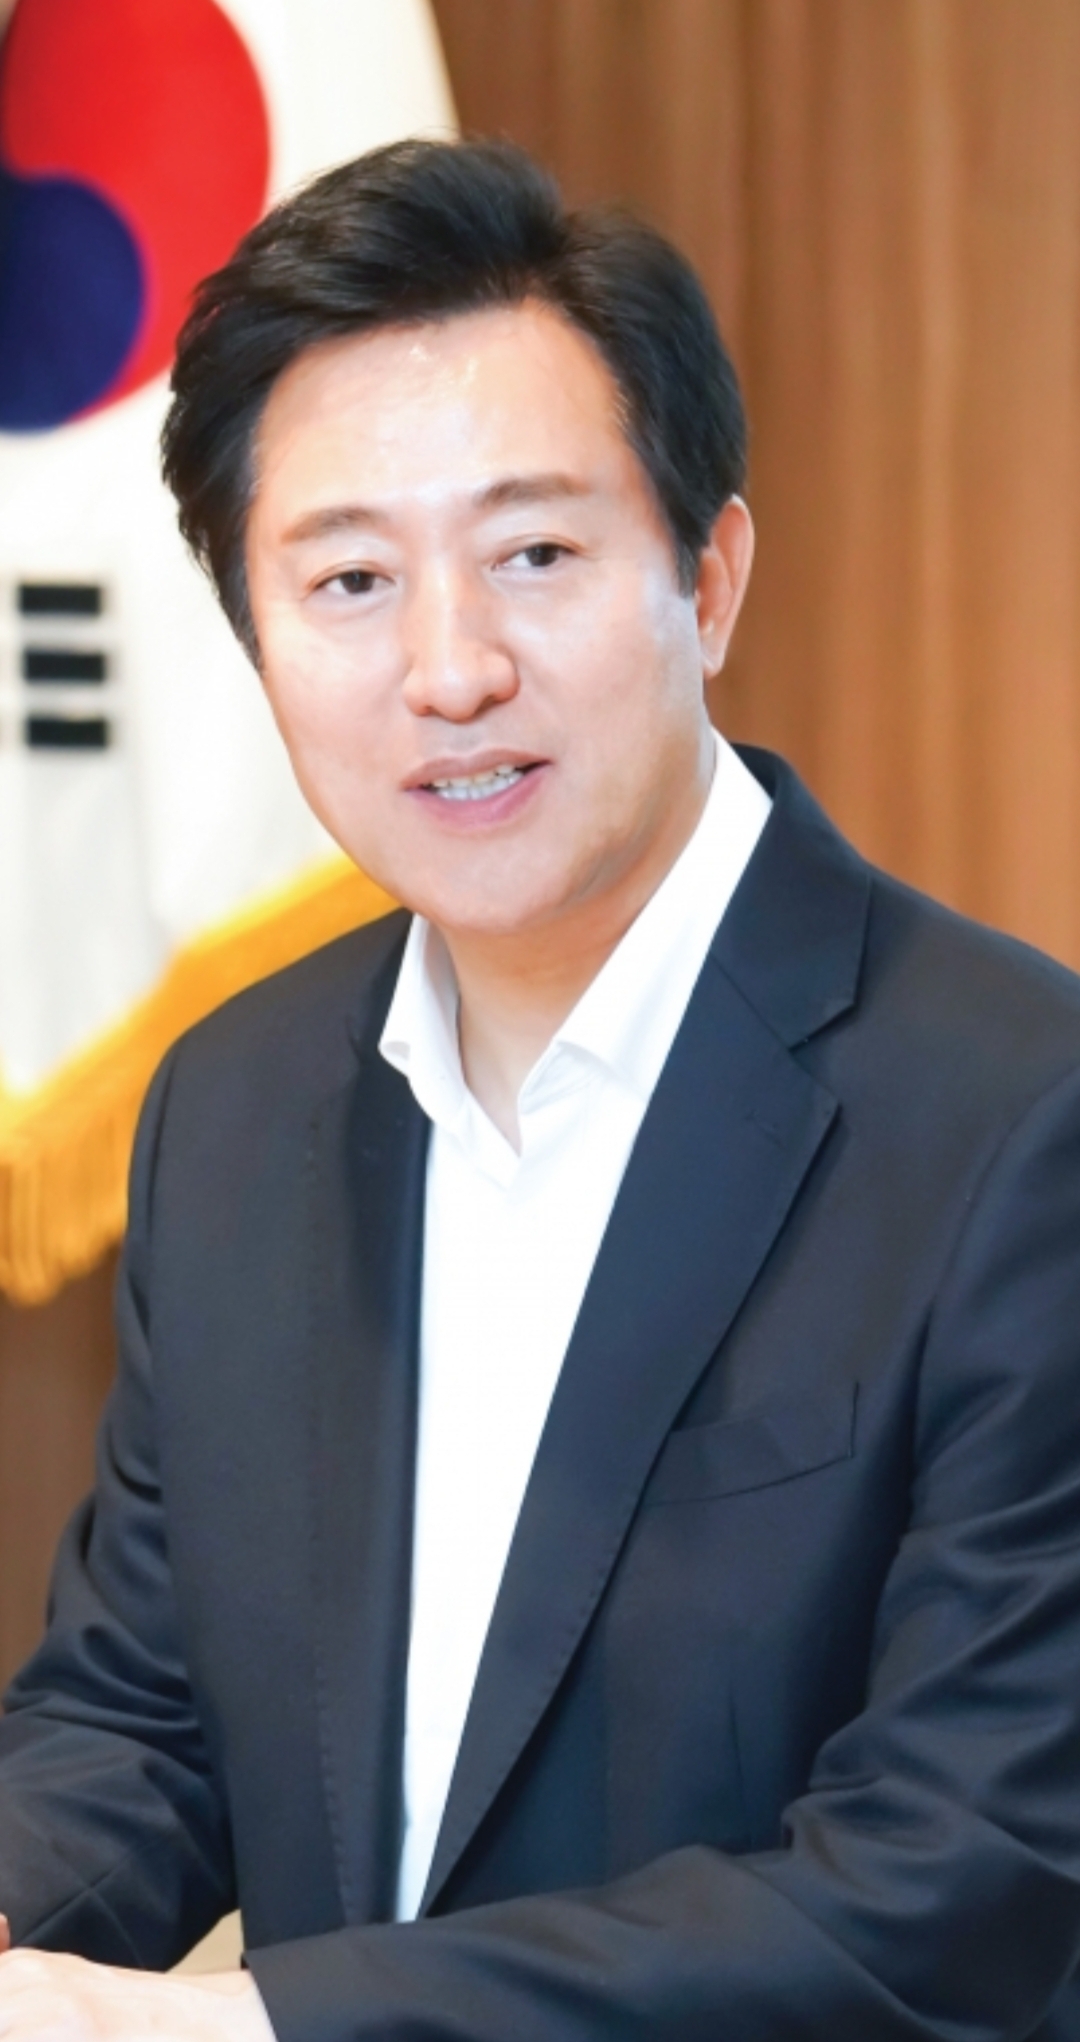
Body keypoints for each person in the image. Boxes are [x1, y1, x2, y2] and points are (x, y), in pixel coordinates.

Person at [2, 136, 1080, 2042]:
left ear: (709, 577)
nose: (450, 669)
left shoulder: (1017, 1116)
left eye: (536, 554)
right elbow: (141, 1716)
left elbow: (955, 1882)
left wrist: (244, 2028)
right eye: (349, 579)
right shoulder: (233, 1109)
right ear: (255, 640)